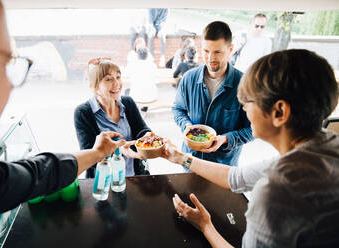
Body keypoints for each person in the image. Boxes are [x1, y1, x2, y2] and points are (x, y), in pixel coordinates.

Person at [0, 1, 125, 247]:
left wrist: (96, 153)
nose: (9, 86)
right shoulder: (83, 111)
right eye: (4, 63)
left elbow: (36, 174)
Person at [163, 49, 339, 247]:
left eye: (248, 101)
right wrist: (180, 158)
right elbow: (236, 178)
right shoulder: (323, 148)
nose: (244, 108)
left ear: (279, 111)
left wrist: (205, 225)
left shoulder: (274, 195)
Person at [172, 21, 253, 168]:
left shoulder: (245, 84)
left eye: (217, 52)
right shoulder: (188, 79)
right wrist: (186, 125)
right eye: (206, 51)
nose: (210, 58)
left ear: (231, 50)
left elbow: (253, 129)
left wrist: (227, 139)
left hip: (224, 167)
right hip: (191, 161)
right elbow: (178, 109)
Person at [74, 59, 152, 178]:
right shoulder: (83, 113)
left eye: (118, 77)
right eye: (108, 79)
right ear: (94, 86)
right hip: (104, 181)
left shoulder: (128, 103)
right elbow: (88, 156)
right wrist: (117, 150)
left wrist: (146, 137)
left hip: (133, 176)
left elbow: (141, 129)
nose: (117, 84)